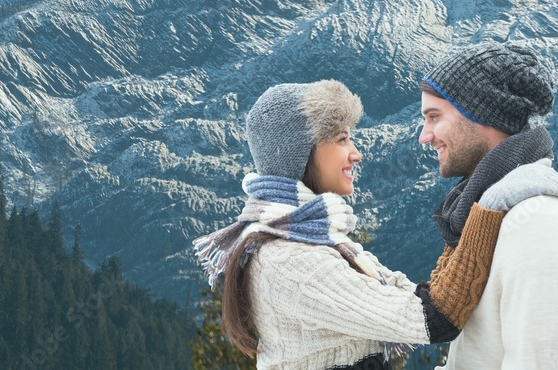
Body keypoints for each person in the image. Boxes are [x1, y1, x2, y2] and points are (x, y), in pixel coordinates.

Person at [195, 80, 528, 370]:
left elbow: (415, 294)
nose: (356, 153)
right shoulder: (291, 260)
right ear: (301, 153)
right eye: (341, 139)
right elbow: (435, 318)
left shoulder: (312, 240)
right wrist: (485, 207)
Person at [418, 42, 558, 369]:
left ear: (483, 115)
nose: (425, 136)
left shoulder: (540, 225)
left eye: (434, 117)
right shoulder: (493, 214)